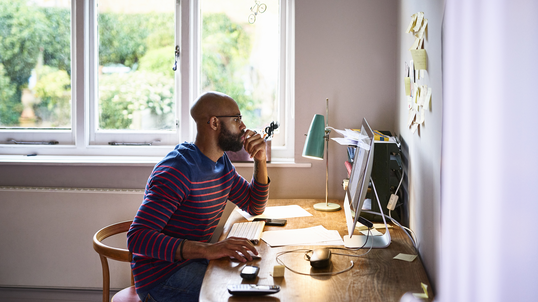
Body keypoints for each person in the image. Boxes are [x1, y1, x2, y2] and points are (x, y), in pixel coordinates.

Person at [127, 91, 270, 302]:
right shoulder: (177, 170)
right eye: (237, 119)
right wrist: (209, 249)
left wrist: (260, 159)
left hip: (195, 263)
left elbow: (253, 205)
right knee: (244, 297)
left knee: (257, 282)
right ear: (214, 123)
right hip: (162, 278)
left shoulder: (222, 164)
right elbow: (137, 237)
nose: (243, 126)